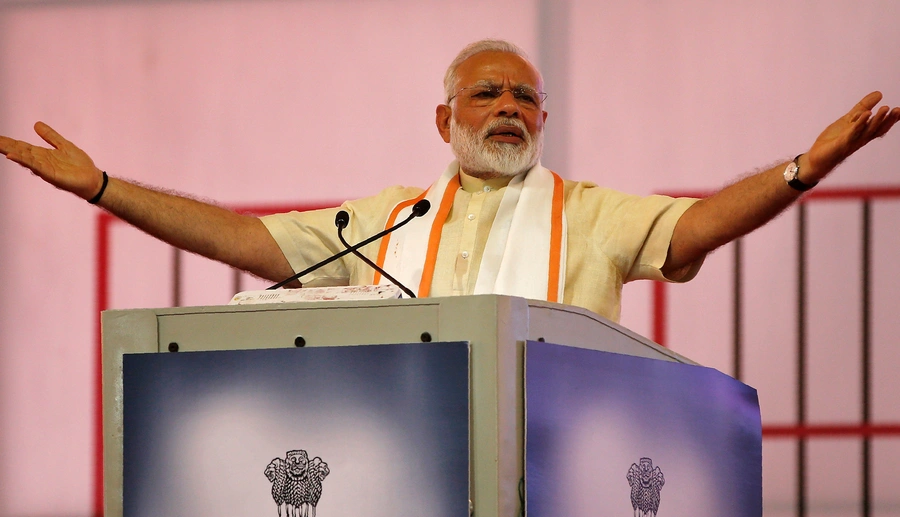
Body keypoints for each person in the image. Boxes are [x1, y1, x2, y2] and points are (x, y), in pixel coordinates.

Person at [1, 39, 897, 321]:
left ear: (542, 121)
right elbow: (246, 240)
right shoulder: (392, 219)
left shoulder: (586, 216)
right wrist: (104, 187)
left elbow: (695, 227)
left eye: (525, 98)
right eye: (486, 94)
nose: (508, 107)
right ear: (447, 120)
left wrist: (800, 170)